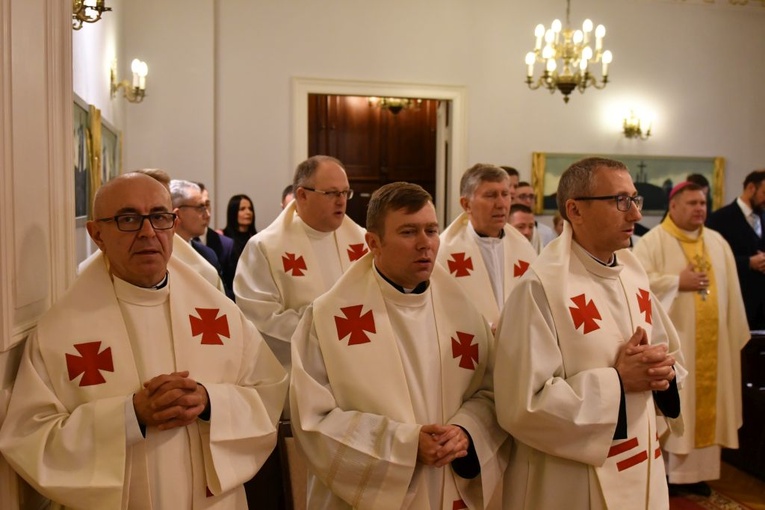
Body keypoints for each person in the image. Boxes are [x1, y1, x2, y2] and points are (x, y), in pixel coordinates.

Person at [0, 173, 288, 509]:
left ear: (173, 224)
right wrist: (129, 416)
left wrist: (210, 402)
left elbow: (267, 395)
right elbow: (31, 439)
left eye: (159, 217)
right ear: (97, 234)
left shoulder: (219, 314)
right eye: (128, 219)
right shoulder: (62, 332)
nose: (148, 232)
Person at [290, 182, 508, 509]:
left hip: (449, 486)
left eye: (432, 230)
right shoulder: (327, 318)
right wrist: (404, 447)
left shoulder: (463, 311)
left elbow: (491, 393)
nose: (425, 244)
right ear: (373, 242)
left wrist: (466, 431)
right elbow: (313, 421)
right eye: (408, 232)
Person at [494, 157, 685, 509]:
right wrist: (617, 382)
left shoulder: (632, 273)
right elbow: (521, 405)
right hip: (572, 481)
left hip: (643, 460)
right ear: (575, 210)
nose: (636, 215)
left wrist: (664, 373)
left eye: (635, 199)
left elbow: (669, 354)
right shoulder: (541, 288)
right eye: (619, 201)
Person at [633, 181, 749, 497]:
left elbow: (733, 295)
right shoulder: (652, 242)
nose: (700, 208)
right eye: (692, 203)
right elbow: (635, 285)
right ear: (673, 206)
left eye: (703, 202)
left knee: (706, 407)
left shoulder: (717, 242)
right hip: (677, 347)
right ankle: (668, 473)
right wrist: (675, 282)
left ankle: (696, 474)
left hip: (713, 345)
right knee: (679, 404)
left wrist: (732, 330)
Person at [234, 155, 367, 373]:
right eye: (332, 193)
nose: (341, 201)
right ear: (302, 195)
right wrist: (327, 327)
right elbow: (261, 320)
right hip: (300, 374)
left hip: (357, 366)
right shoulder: (265, 247)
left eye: (345, 192)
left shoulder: (361, 241)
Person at [437, 164, 537, 331]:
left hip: (516, 344)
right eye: (491, 196)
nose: (501, 204)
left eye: (505, 194)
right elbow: (440, 309)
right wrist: (485, 329)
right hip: (470, 347)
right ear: (466, 204)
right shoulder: (445, 252)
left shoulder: (523, 248)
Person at [706, 169, 765, 330]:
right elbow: (711, 259)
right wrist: (748, 262)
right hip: (737, 302)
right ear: (751, 188)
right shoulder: (719, 219)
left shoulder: (763, 215)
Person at [169, 180, 225, 287]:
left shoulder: (208, 255)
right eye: (200, 208)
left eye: (206, 207)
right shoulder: (161, 256)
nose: (207, 215)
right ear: (178, 214)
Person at [196, 181, 236, 300]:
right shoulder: (174, 245)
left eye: (207, 205)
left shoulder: (226, 244)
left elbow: (232, 288)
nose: (206, 213)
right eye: (199, 207)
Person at [514, 181, 557, 253]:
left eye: (531, 197)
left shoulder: (547, 232)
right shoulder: (504, 228)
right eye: (522, 196)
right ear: (512, 199)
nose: (528, 201)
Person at [223, 194, 257, 267]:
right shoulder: (223, 238)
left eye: (250, 209)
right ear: (233, 212)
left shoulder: (256, 239)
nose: (248, 212)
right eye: (242, 209)